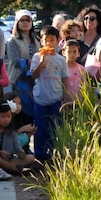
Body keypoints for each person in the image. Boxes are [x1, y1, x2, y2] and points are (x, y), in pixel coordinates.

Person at [29, 26, 70, 161]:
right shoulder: (36, 57)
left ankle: (52, 153)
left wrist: (66, 95)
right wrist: (41, 62)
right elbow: (33, 76)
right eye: (46, 40)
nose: (49, 44)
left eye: (52, 40)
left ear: (57, 41)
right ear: (41, 41)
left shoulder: (61, 59)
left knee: (54, 128)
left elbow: (65, 78)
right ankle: (39, 155)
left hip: (56, 98)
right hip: (41, 98)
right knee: (40, 128)